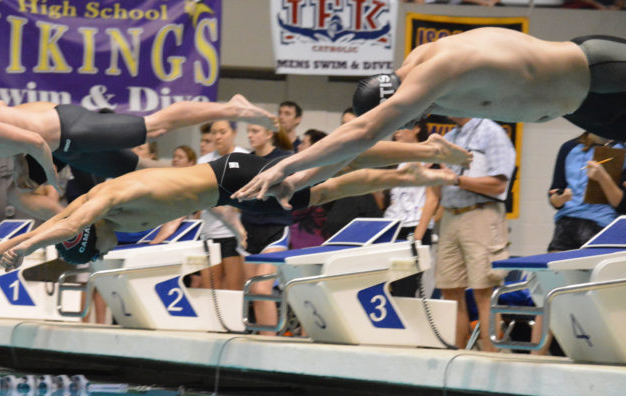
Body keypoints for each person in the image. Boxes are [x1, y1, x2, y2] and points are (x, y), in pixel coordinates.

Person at [0, 152, 458, 288]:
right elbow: (40, 231)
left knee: (328, 174)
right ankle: (409, 171)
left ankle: (410, 164)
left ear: (88, 234)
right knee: (324, 186)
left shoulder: (102, 205)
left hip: (229, 178)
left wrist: (28, 250)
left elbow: (46, 235)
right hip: (231, 191)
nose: (108, 248)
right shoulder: (86, 213)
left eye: (99, 249)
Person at [232, 28, 626, 203]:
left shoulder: (438, 70)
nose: (406, 128)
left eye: (398, 121)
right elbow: (354, 147)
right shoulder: (418, 86)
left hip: (598, 70)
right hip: (584, 109)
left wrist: (282, 167)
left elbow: (365, 131)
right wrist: (300, 182)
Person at [0, 71, 277, 246]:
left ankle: (235, 107)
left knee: (154, 126)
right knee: (141, 173)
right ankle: (221, 179)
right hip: (61, 146)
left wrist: (47, 176)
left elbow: (32, 139)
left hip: (70, 130)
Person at [433, 118, 516, 351]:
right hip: (449, 215)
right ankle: (456, 357)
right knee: (450, 290)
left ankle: (491, 359)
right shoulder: (449, 138)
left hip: (481, 214)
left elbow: (499, 184)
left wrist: (458, 180)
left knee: (483, 291)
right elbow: (439, 187)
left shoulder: (492, 132)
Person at [243, 125, 295, 333]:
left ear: (269, 133)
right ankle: (259, 342)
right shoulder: (245, 160)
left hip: (275, 229)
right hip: (249, 230)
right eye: (248, 131)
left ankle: (271, 343)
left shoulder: (285, 159)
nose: (250, 135)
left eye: (255, 130)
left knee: (261, 289)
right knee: (249, 293)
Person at [383, 120, 440, 297]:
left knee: (405, 290)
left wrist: (418, 236)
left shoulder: (428, 158)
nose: (397, 133)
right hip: (393, 228)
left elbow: (433, 198)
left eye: (401, 128)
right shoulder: (396, 160)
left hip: (414, 229)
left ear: (416, 128)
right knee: (391, 289)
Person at [547, 132, 626, 251]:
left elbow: (622, 205)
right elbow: (554, 196)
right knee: (554, 265)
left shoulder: (621, 151)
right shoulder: (569, 148)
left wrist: (603, 178)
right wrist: (561, 198)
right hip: (567, 223)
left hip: (601, 225)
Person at [195, 120, 249, 290]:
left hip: (234, 236)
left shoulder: (245, 157)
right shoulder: (204, 161)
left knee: (234, 291)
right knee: (211, 291)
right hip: (209, 234)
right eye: (214, 132)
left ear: (234, 132)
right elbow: (203, 197)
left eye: (222, 132)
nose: (217, 136)